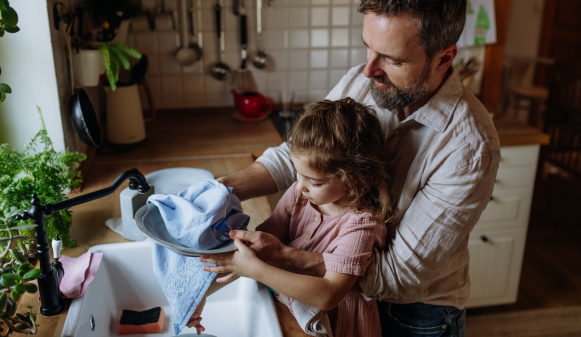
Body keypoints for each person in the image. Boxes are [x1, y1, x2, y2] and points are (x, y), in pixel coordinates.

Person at [206, 0, 501, 336]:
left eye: (392, 59)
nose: (368, 70)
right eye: (368, 49)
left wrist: (289, 258)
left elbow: (397, 275)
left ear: (444, 58)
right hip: (336, 290)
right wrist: (223, 188)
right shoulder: (364, 83)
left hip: (415, 315)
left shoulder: (469, 147)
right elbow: (300, 157)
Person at [199, 98, 393, 336]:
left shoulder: (360, 226)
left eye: (315, 181)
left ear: (355, 179)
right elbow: (260, 243)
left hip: (341, 325)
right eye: (297, 174)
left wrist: (253, 269)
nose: (300, 186)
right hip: (289, 312)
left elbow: (328, 295)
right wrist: (200, 298)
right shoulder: (299, 195)